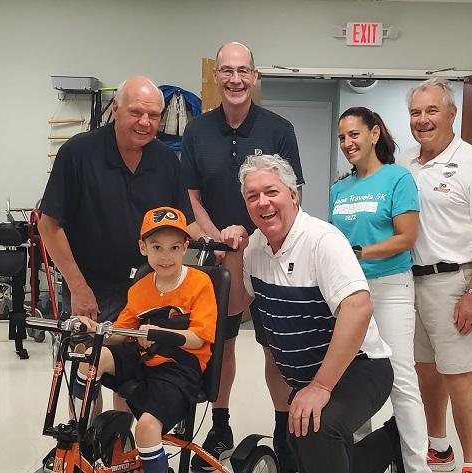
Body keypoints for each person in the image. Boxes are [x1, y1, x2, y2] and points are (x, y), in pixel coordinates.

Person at [219, 154, 393, 473]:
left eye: (271, 191)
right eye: (252, 196)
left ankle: (390, 442)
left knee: (316, 428)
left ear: (293, 194)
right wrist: (235, 252)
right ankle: (390, 443)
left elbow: (358, 307)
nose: (263, 202)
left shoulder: (322, 241)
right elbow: (234, 306)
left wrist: (321, 387)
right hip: (306, 375)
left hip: (361, 367)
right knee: (305, 447)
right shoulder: (256, 246)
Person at [180, 41, 305, 471]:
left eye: (243, 71)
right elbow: (191, 198)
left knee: (276, 350)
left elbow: (294, 194)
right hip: (217, 257)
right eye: (227, 71)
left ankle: (284, 428)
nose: (235, 79)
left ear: (255, 77)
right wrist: (219, 240)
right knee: (221, 345)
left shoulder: (279, 128)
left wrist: (252, 237)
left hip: (270, 254)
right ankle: (220, 422)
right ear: (217, 77)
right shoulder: (197, 131)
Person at [402, 79, 472, 473]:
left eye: (431, 111)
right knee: (425, 371)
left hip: (453, 283)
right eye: (415, 112)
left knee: (459, 376)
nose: (423, 120)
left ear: (451, 114)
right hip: (410, 282)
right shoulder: (405, 164)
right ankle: (438, 445)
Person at [39, 75, 201, 323]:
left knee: (146, 360)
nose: (145, 122)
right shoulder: (77, 153)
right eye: (136, 112)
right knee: (89, 359)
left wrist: (218, 242)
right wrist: (79, 288)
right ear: (115, 108)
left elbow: (185, 221)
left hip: (151, 285)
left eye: (154, 115)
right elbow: (49, 226)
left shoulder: (167, 161)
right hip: (92, 290)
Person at [75, 206, 217, 473]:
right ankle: (80, 433)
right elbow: (120, 333)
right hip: (143, 360)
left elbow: (198, 339)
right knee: (92, 357)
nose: (166, 256)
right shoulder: (140, 287)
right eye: (157, 247)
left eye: (174, 248)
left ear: (186, 247)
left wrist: (156, 334)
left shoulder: (200, 283)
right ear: (143, 248)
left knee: (147, 427)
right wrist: (98, 329)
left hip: (179, 368)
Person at [329, 107, 429, 473]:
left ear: (374, 134)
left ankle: (417, 465)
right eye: (342, 137)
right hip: (349, 291)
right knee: (352, 377)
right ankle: (359, 460)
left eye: (354, 134)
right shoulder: (340, 188)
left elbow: (407, 238)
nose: (347, 143)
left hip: (390, 287)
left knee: (401, 377)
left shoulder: (397, 179)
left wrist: (358, 253)